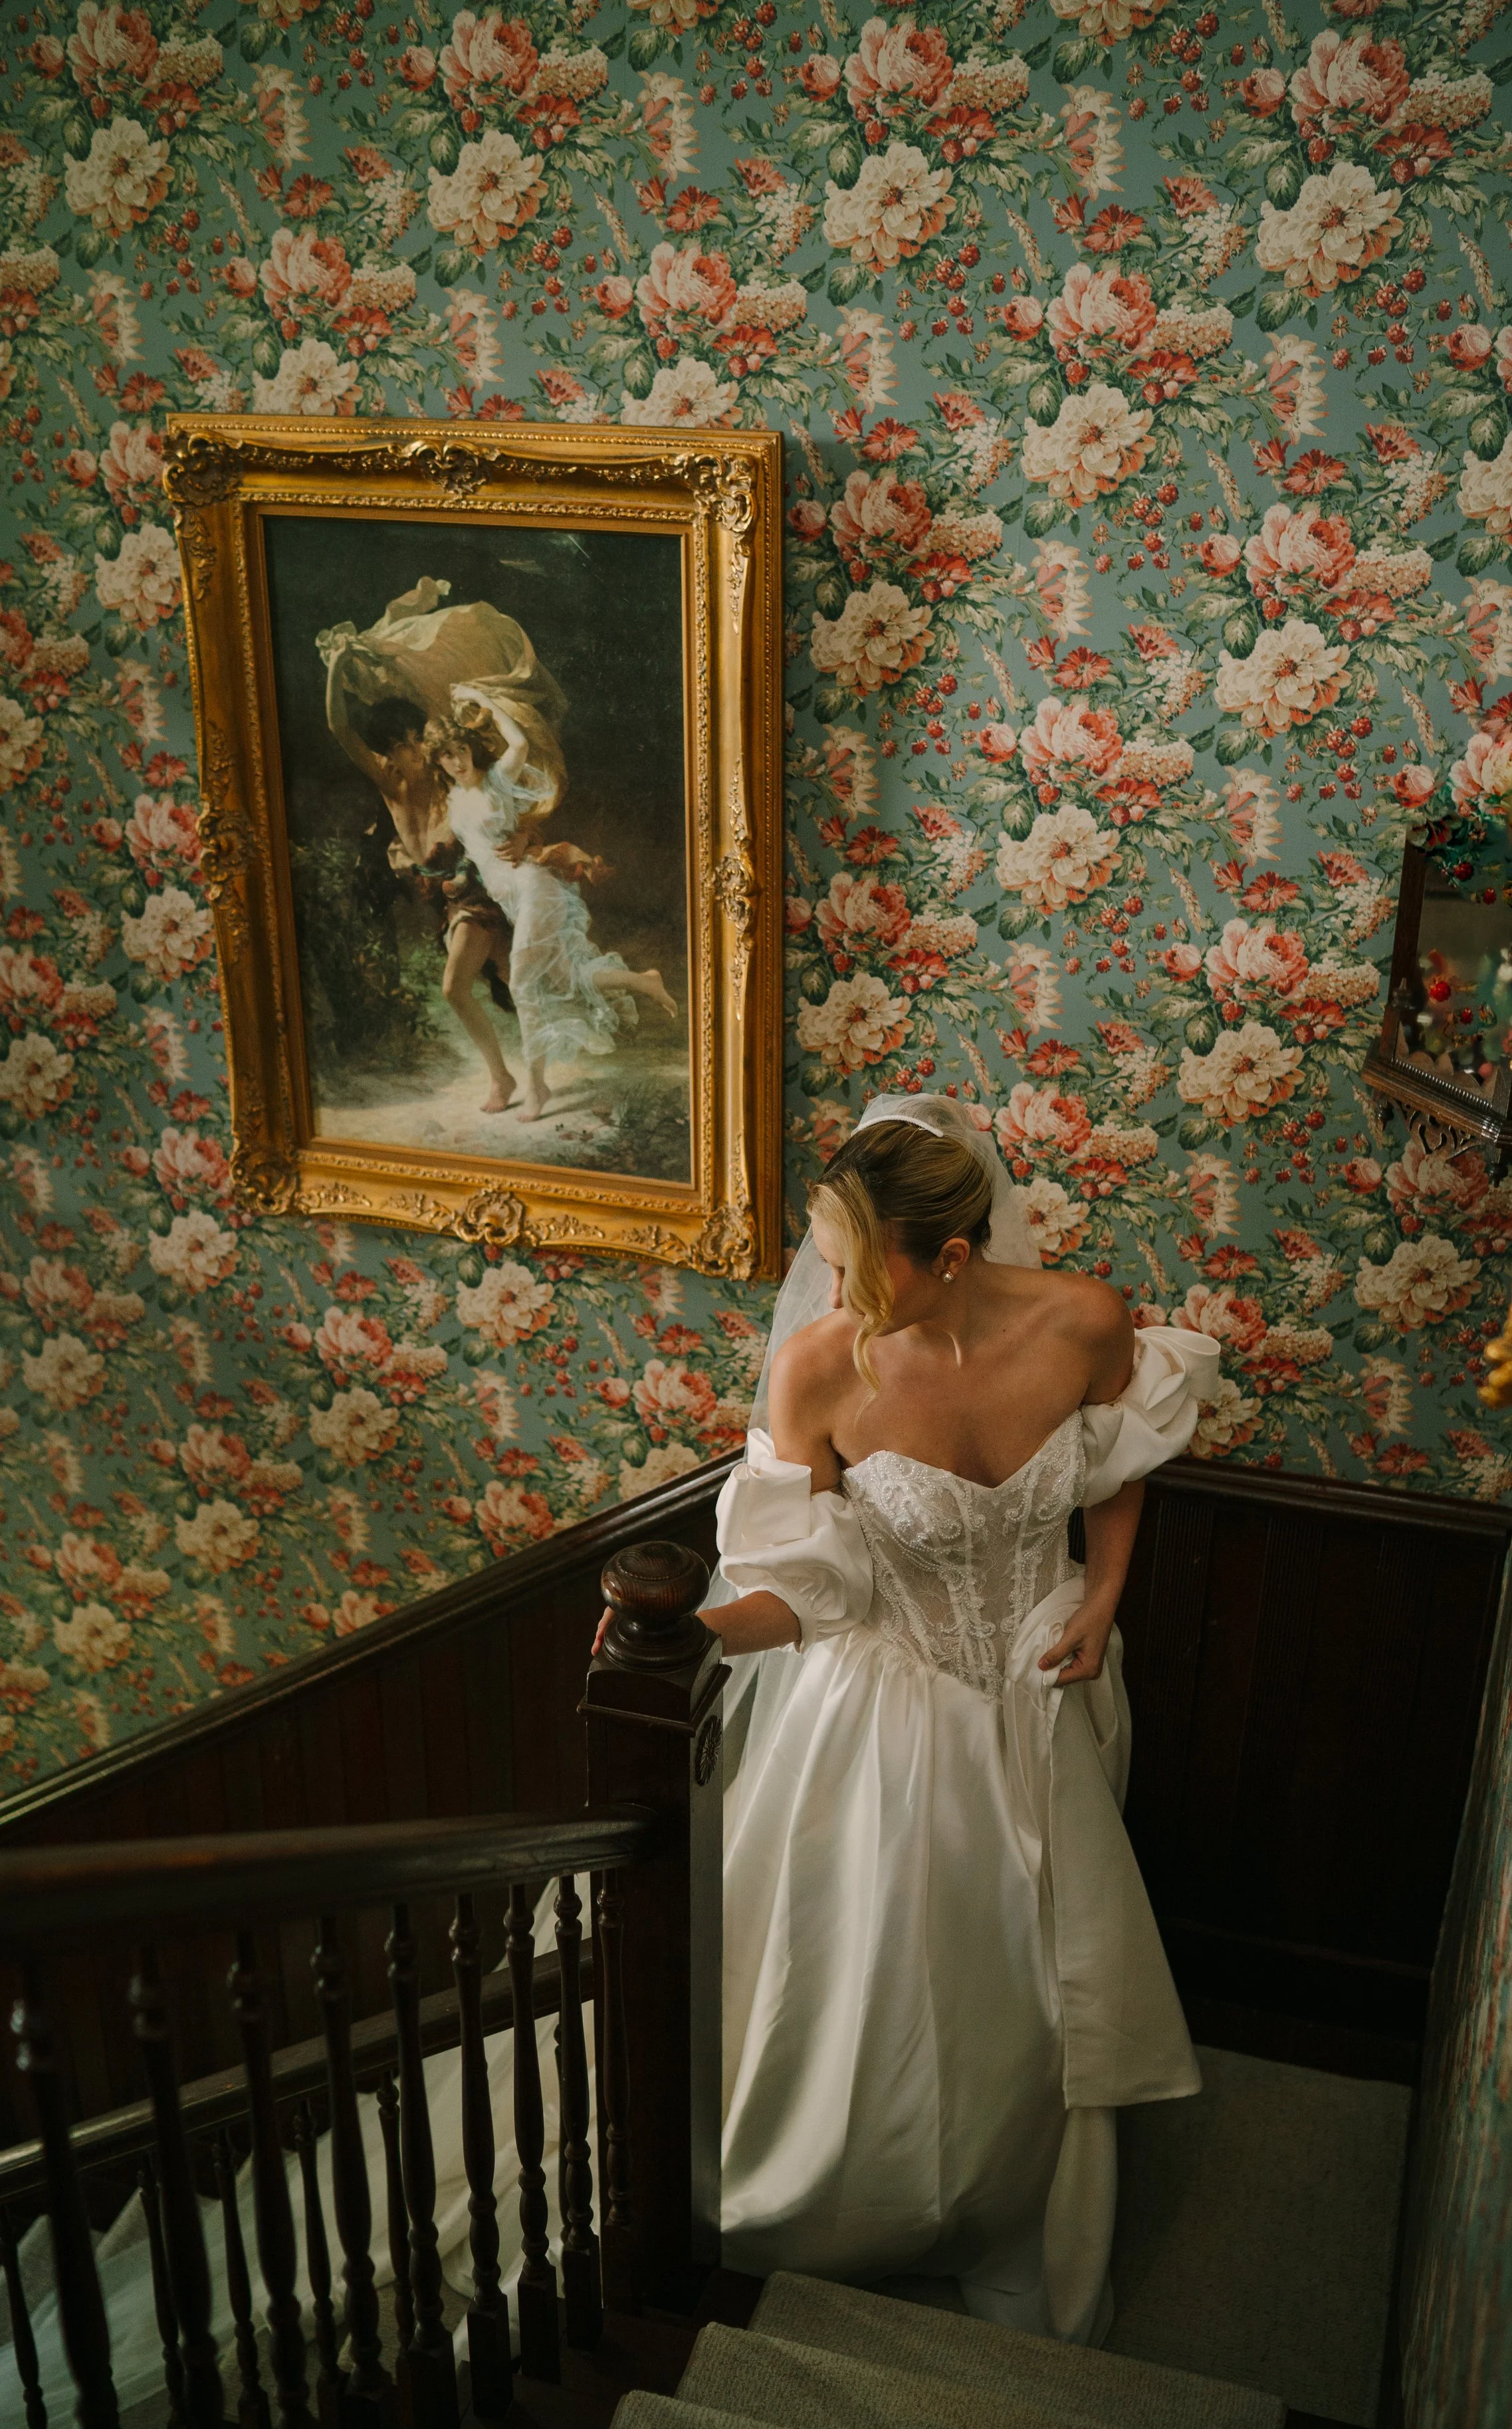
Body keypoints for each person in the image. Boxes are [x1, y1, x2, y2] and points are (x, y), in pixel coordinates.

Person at [623, 1094, 1219, 2343]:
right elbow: (810, 1586)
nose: (832, 1293)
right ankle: (864, 2202)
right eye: (824, 1263)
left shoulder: (1085, 1322)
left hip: (1050, 1683)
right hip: (889, 1709)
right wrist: (685, 1635)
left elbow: (1117, 1461)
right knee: (900, 1979)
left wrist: (1105, 1589)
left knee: (1047, 1982)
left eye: (856, 1267)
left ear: (953, 1255)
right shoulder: (819, 1368)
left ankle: (1020, 2205)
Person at [425, 689, 676, 1125]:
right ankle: (643, 980)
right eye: (447, 755)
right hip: (509, 898)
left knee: (525, 986)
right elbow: (475, 851)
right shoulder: (454, 800)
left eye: (461, 750)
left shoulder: (497, 780)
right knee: (560, 975)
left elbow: (519, 743)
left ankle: (537, 1086)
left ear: (472, 749)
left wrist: (479, 696)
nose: (457, 761)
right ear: (440, 761)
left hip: (533, 886)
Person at [322, 681, 521, 1115]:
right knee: (515, 978)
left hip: (478, 894)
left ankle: (501, 1078)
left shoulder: (451, 782)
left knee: (457, 989)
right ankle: (621, 987)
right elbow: (339, 726)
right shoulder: (388, 783)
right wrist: (338, 667)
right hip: (446, 905)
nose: (401, 754)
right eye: (395, 747)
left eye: (408, 743)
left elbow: (501, 802)